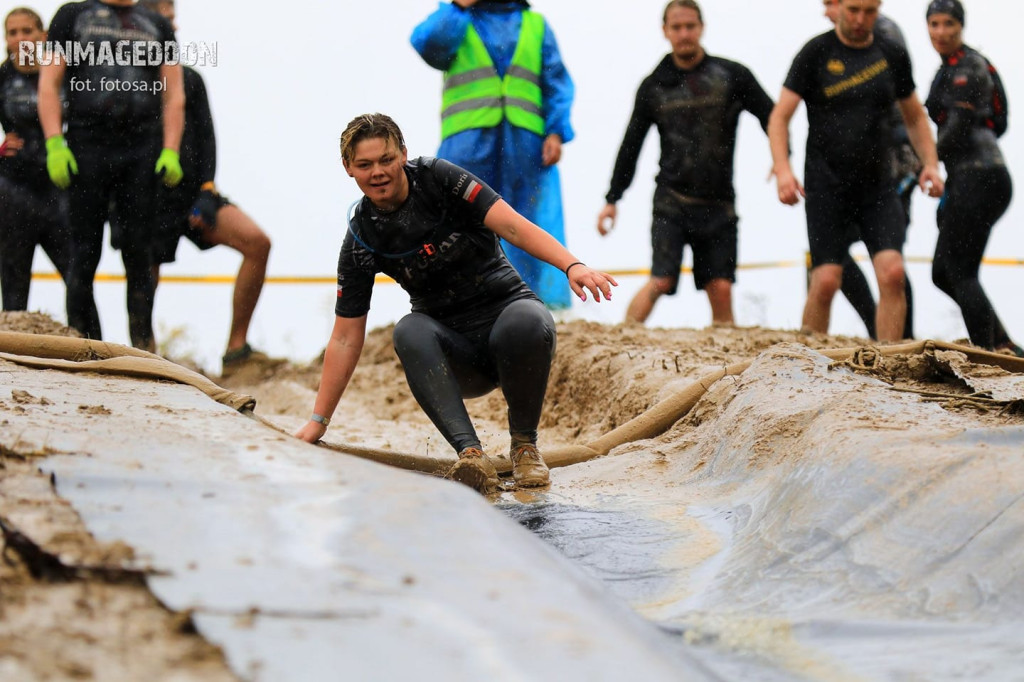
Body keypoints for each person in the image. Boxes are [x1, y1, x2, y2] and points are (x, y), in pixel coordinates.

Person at [295, 113, 616, 493]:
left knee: (529, 317)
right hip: (455, 354)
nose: (377, 172)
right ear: (349, 168)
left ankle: (525, 448)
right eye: (365, 165)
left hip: (509, 328)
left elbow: (512, 224)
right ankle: (471, 457)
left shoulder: (440, 179)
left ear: (403, 155)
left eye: (385, 160)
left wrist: (572, 265)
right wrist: (319, 420)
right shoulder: (362, 238)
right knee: (408, 329)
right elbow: (346, 337)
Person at [769, 0, 944, 343]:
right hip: (826, 184)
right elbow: (780, 117)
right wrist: (783, 170)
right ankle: (804, 363)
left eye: (869, 11)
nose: (861, 19)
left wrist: (931, 164)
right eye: (853, 10)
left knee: (892, 273)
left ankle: (891, 365)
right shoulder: (815, 52)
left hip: (877, 184)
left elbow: (914, 116)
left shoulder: (891, 52)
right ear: (839, 7)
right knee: (826, 280)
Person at [597, 0, 774, 326]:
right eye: (676, 27)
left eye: (689, 26)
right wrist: (612, 198)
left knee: (720, 288)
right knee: (660, 281)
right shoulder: (654, 86)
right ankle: (620, 341)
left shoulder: (732, 75)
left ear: (701, 28)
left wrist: (782, 159)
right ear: (665, 31)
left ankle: (729, 367)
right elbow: (631, 145)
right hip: (672, 201)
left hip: (719, 203)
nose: (684, 34)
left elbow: (772, 115)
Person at [135, 0, 274, 374]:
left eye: (173, 17)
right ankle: (143, 352)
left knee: (258, 242)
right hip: (145, 198)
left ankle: (236, 351)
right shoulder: (121, 80)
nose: (173, 24)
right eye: (165, 17)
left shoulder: (190, 78)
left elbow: (206, 140)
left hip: (192, 195)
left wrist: (207, 191)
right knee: (143, 267)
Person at [38, 0, 185, 351]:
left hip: (141, 149)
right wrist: (54, 143)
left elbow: (174, 93)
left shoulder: (155, 23)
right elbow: (49, 83)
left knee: (139, 252)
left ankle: (143, 346)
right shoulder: (73, 15)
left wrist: (171, 149)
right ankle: (81, 346)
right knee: (84, 251)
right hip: (87, 145)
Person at [410, 0, 575, 311]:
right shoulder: (455, 18)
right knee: (460, 218)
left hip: (525, 142)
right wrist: (457, 6)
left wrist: (555, 130)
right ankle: (457, 300)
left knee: (525, 219)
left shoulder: (535, 25)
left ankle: (532, 303)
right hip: (467, 141)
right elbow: (429, 47)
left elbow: (555, 81)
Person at [924, 0, 1022, 355]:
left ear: (961, 26)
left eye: (948, 23)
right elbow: (1002, 119)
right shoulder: (947, 69)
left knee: (959, 270)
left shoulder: (968, 65)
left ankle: (987, 354)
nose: (941, 32)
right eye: (933, 24)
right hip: (973, 178)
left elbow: (960, 129)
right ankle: (1004, 345)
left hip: (980, 177)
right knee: (943, 272)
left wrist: (926, 162)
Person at [821, 0, 918, 340]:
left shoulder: (883, 35)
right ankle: (881, 330)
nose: (826, 12)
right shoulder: (831, 46)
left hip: (893, 163)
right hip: (857, 169)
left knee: (890, 260)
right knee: (831, 259)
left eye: (830, 3)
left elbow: (898, 103)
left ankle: (900, 338)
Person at [0, 7, 70, 311]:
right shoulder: (3, 77)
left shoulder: (62, 72)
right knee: (14, 283)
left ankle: (93, 347)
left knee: (77, 275)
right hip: (14, 190)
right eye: (12, 33)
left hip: (60, 186)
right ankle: (9, 356)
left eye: (27, 31)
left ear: (42, 36)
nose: (20, 38)